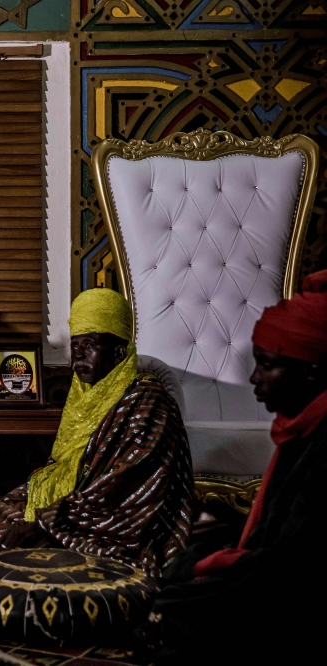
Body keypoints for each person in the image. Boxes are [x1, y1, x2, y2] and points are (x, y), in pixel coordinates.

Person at [136, 269, 327, 664]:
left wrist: (208, 564)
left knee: (176, 604)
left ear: (310, 371)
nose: (254, 378)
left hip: (300, 592)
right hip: (281, 571)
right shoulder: (302, 425)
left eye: (268, 365)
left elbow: (292, 564)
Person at [0, 288, 194, 577]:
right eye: (75, 345)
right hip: (68, 512)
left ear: (118, 353)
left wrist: (42, 526)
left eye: (90, 344)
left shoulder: (149, 402)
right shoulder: (86, 397)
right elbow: (56, 474)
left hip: (113, 527)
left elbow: (118, 490)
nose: (78, 354)